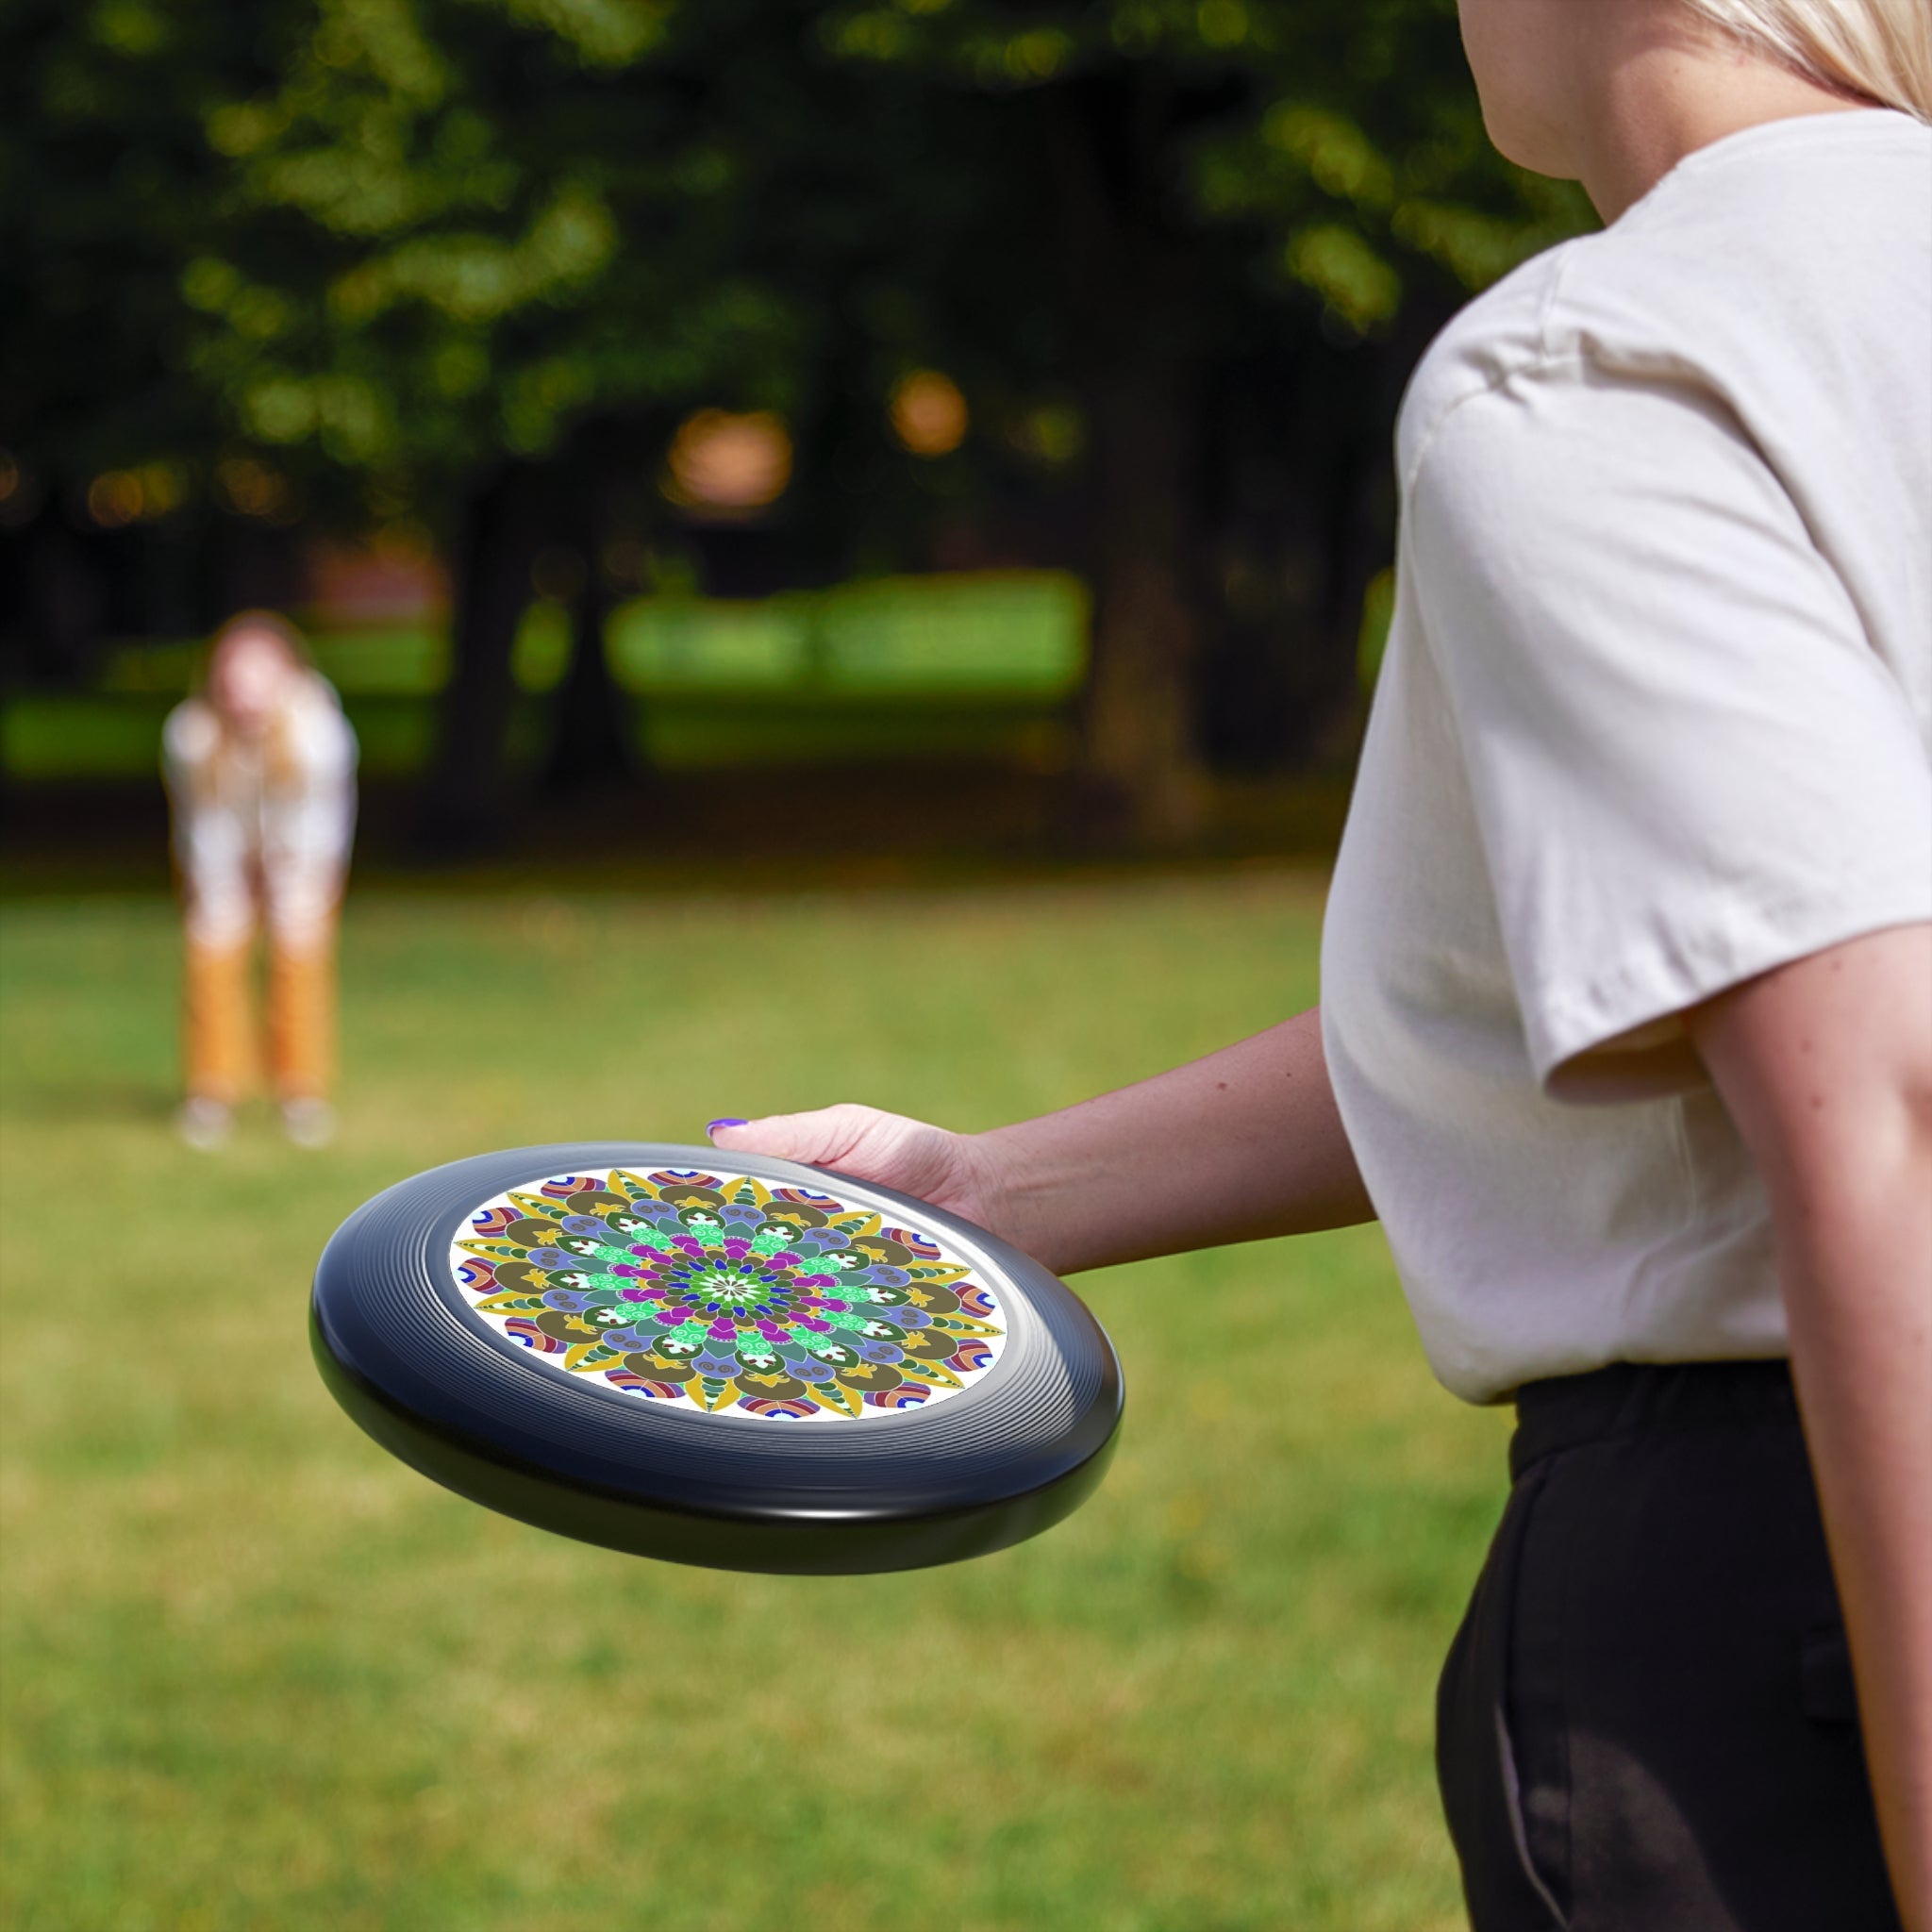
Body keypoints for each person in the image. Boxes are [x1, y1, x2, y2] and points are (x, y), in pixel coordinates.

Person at [705, 2, 1932, 1925]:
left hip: (1793, 1593)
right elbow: (1629, 990)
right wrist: (987, 1191)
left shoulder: (1609, 362)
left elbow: (1885, 1100)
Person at [163, 611, 358, 1150]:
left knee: (299, 958)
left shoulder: (319, 733)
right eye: (234, 675)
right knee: (212, 952)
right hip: (221, 856)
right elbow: (204, 823)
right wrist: (225, 887)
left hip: (302, 858)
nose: (244, 691)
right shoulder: (191, 735)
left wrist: (287, 881)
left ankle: (300, 1092)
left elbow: (318, 823)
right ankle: (212, 1091)